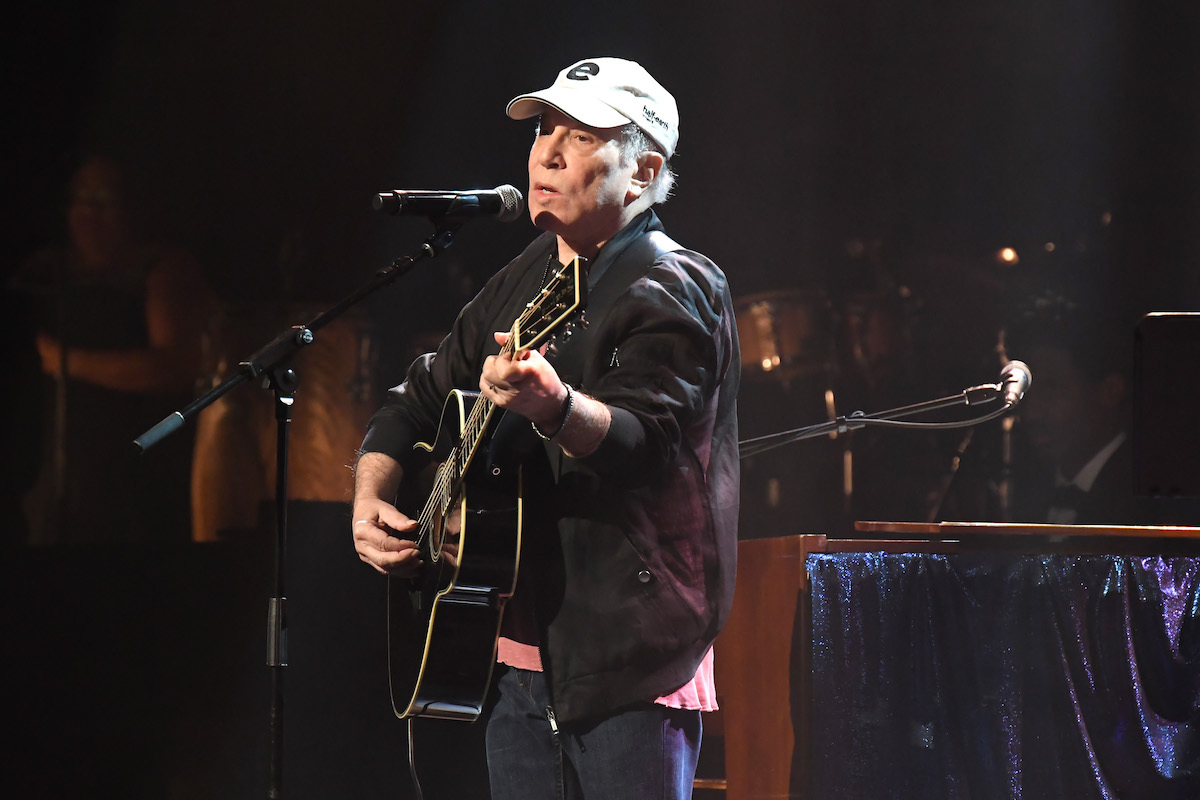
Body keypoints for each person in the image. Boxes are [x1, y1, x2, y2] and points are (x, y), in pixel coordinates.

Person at [351, 57, 740, 799]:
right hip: (515, 653)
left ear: (642, 171)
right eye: (544, 131)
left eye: (582, 136)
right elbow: (417, 398)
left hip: (627, 659)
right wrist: (371, 494)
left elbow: (644, 446)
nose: (548, 154)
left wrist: (555, 405)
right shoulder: (529, 275)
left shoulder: (675, 285)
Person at [10, 154, 216, 544]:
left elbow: (176, 367)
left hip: (132, 477)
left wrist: (65, 360)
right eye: (80, 198)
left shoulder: (161, 269)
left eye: (103, 200)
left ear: (134, 207)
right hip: (50, 477)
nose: (88, 212)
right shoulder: (46, 271)